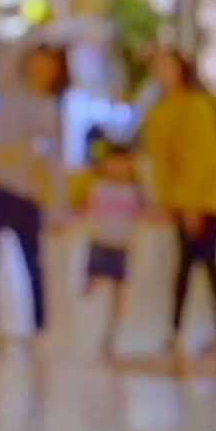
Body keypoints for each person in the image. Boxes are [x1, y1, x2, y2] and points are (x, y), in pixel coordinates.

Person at [0, 18, 105, 346]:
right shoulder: (7, 88)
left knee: (33, 262)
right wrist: (42, 30)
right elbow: (9, 57)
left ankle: (39, 327)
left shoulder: (50, 107)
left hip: (26, 195)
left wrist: (59, 208)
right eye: (38, 60)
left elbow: (54, 164)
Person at [141, 48, 216, 368]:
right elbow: (164, 161)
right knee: (192, 262)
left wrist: (192, 206)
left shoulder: (197, 106)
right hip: (187, 200)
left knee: (202, 260)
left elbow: (201, 159)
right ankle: (187, 330)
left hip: (208, 200)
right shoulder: (164, 109)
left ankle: (214, 329)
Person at [79, 142, 150, 358]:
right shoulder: (99, 187)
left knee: (119, 295)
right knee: (94, 289)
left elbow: (146, 215)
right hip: (101, 244)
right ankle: (89, 330)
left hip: (122, 248)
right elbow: (85, 211)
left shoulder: (136, 191)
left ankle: (112, 337)